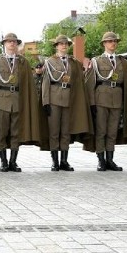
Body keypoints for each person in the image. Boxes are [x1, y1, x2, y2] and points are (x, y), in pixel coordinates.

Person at [83, 32, 127, 171]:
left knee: (112, 131)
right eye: (109, 41)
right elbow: (89, 84)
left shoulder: (123, 62)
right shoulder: (96, 61)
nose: (112, 43)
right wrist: (92, 104)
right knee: (101, 131)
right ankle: (101, 160)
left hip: (117, 99)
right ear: (104, 44)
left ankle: (110, 160)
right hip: (101, 99)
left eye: (114, 41)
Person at [0, 32, 41, 172]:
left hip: (17, 100)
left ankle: (13, 161)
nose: (12, 43)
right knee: (2, 132)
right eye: (9, 41)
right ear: (4, 44)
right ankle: (3, 161)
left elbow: (29, 84)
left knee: (15, 132)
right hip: (1, 100)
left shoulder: (23, 61)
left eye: (14, 42)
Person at [41, 34, 92, 171]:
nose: (64, 46)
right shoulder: (50, 62)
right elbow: (46, 83)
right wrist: (46, 102)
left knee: (65, 132)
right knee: (54, 131)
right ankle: (55, 162)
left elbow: (78, 83)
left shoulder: (74, 63)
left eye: (66, 44)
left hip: (69, 99)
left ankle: (64, 161)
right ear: (56, 46)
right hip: (54, 98)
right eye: (61, 44)